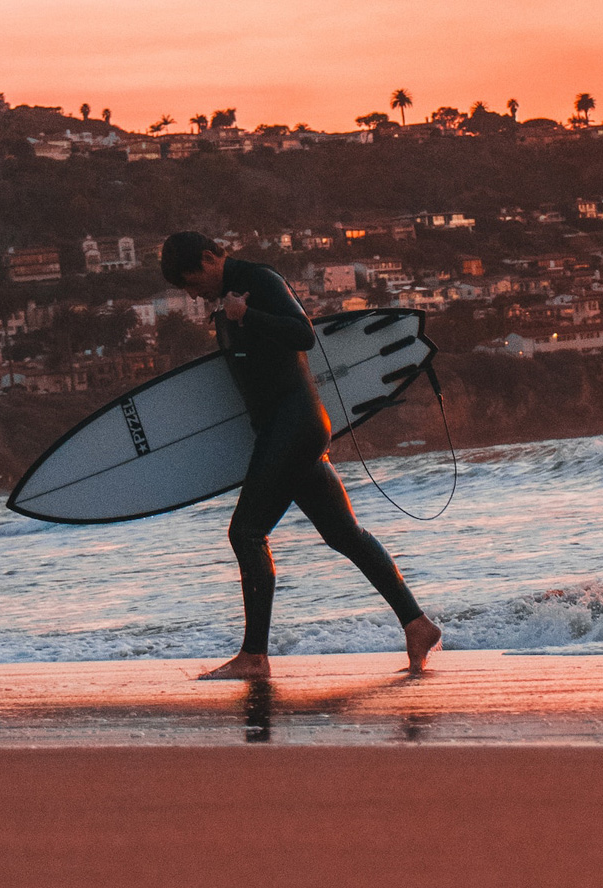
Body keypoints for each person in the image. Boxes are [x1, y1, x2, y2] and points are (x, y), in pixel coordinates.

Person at [159, 231, 442, 679]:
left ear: (212, 257)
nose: (193, 294)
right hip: (285, 429)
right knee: (345, 534)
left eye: (192, 281)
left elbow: (303, 334)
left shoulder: (259, 281)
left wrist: (246, 313)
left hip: (294, 426)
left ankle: (254, 657)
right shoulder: (229, 300)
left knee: (247, 533)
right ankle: (418, 624)